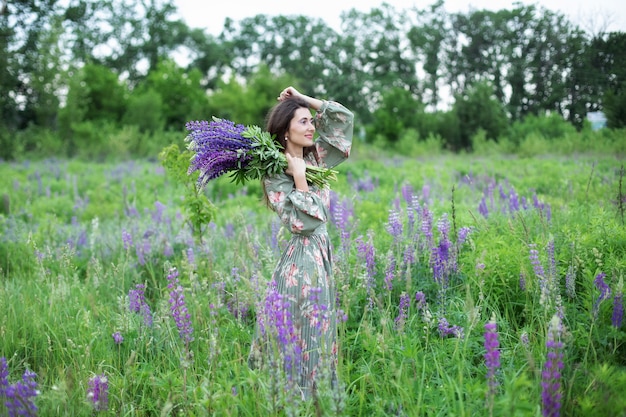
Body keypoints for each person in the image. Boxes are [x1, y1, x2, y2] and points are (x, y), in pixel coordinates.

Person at [248, 86, 354, 400]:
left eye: (310, 121)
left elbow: (343, 121)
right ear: (285, 132)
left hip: (320, 257)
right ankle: (299, 400)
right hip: (302, 265)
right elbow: (306, 223)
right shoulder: (276, 172)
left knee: (318, 334)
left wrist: (304, 99)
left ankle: (317, 400)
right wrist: (299, 177)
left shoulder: (314, 157)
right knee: (306, 335)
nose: (312, 127)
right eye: (304, 122)